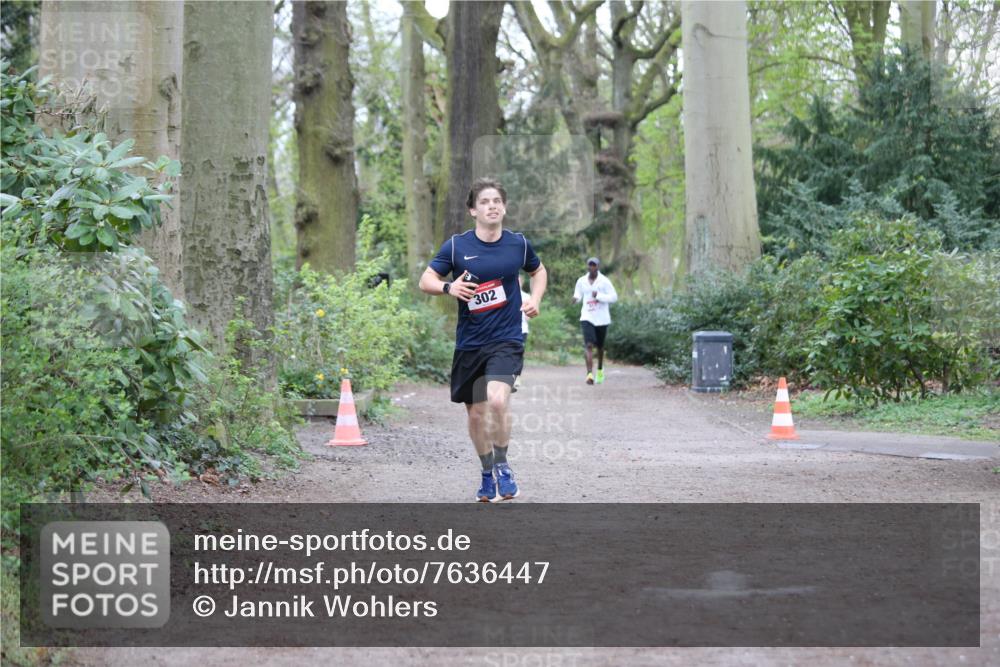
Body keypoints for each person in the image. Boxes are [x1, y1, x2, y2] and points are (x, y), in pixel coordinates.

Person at [419, 177, 548, 502]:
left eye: (497, 201)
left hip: (506, 339)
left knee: (498, 400)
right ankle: (486, 471)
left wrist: (535, 299)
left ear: (504, 208)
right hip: (470, 344)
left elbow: (539, 271)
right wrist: (449, 288)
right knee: (476, 414)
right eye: (485, 202)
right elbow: (426, 280)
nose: (492, 206)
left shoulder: (517, 244)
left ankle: (503, 465)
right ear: (473, 210)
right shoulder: (456, 246)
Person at [573, 257, 618, 384]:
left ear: (598, 267)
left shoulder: (604, 281)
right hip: (587, 316)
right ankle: (589, 374)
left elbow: (614, 297)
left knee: (600, 347)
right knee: (588, 345)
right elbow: (578, 294)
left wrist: (599, 296)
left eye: (594, 265)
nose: (592, 267)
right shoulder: (581, 281)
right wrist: (575, 299)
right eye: (590, 265)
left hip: (602, 318)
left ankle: (599, 369)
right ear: (587, 266)